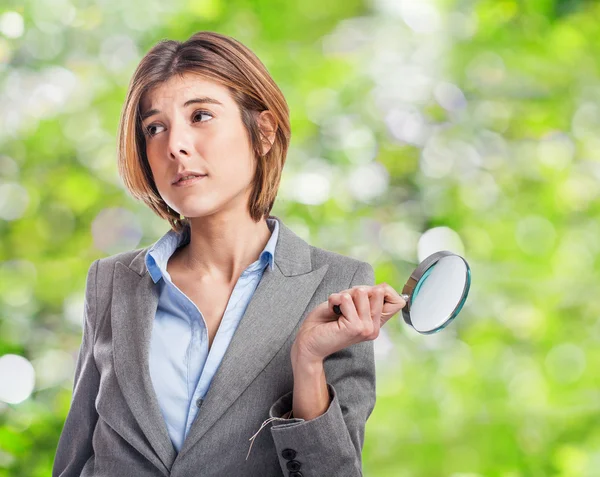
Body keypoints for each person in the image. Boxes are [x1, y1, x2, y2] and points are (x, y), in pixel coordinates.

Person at [52, 31, 406, 477]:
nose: (174, 145)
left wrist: (309, 364)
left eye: (200, 115)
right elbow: (74, 456)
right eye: (154, 127)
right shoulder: (111, 281)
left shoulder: (335, 285)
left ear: (263, 132)